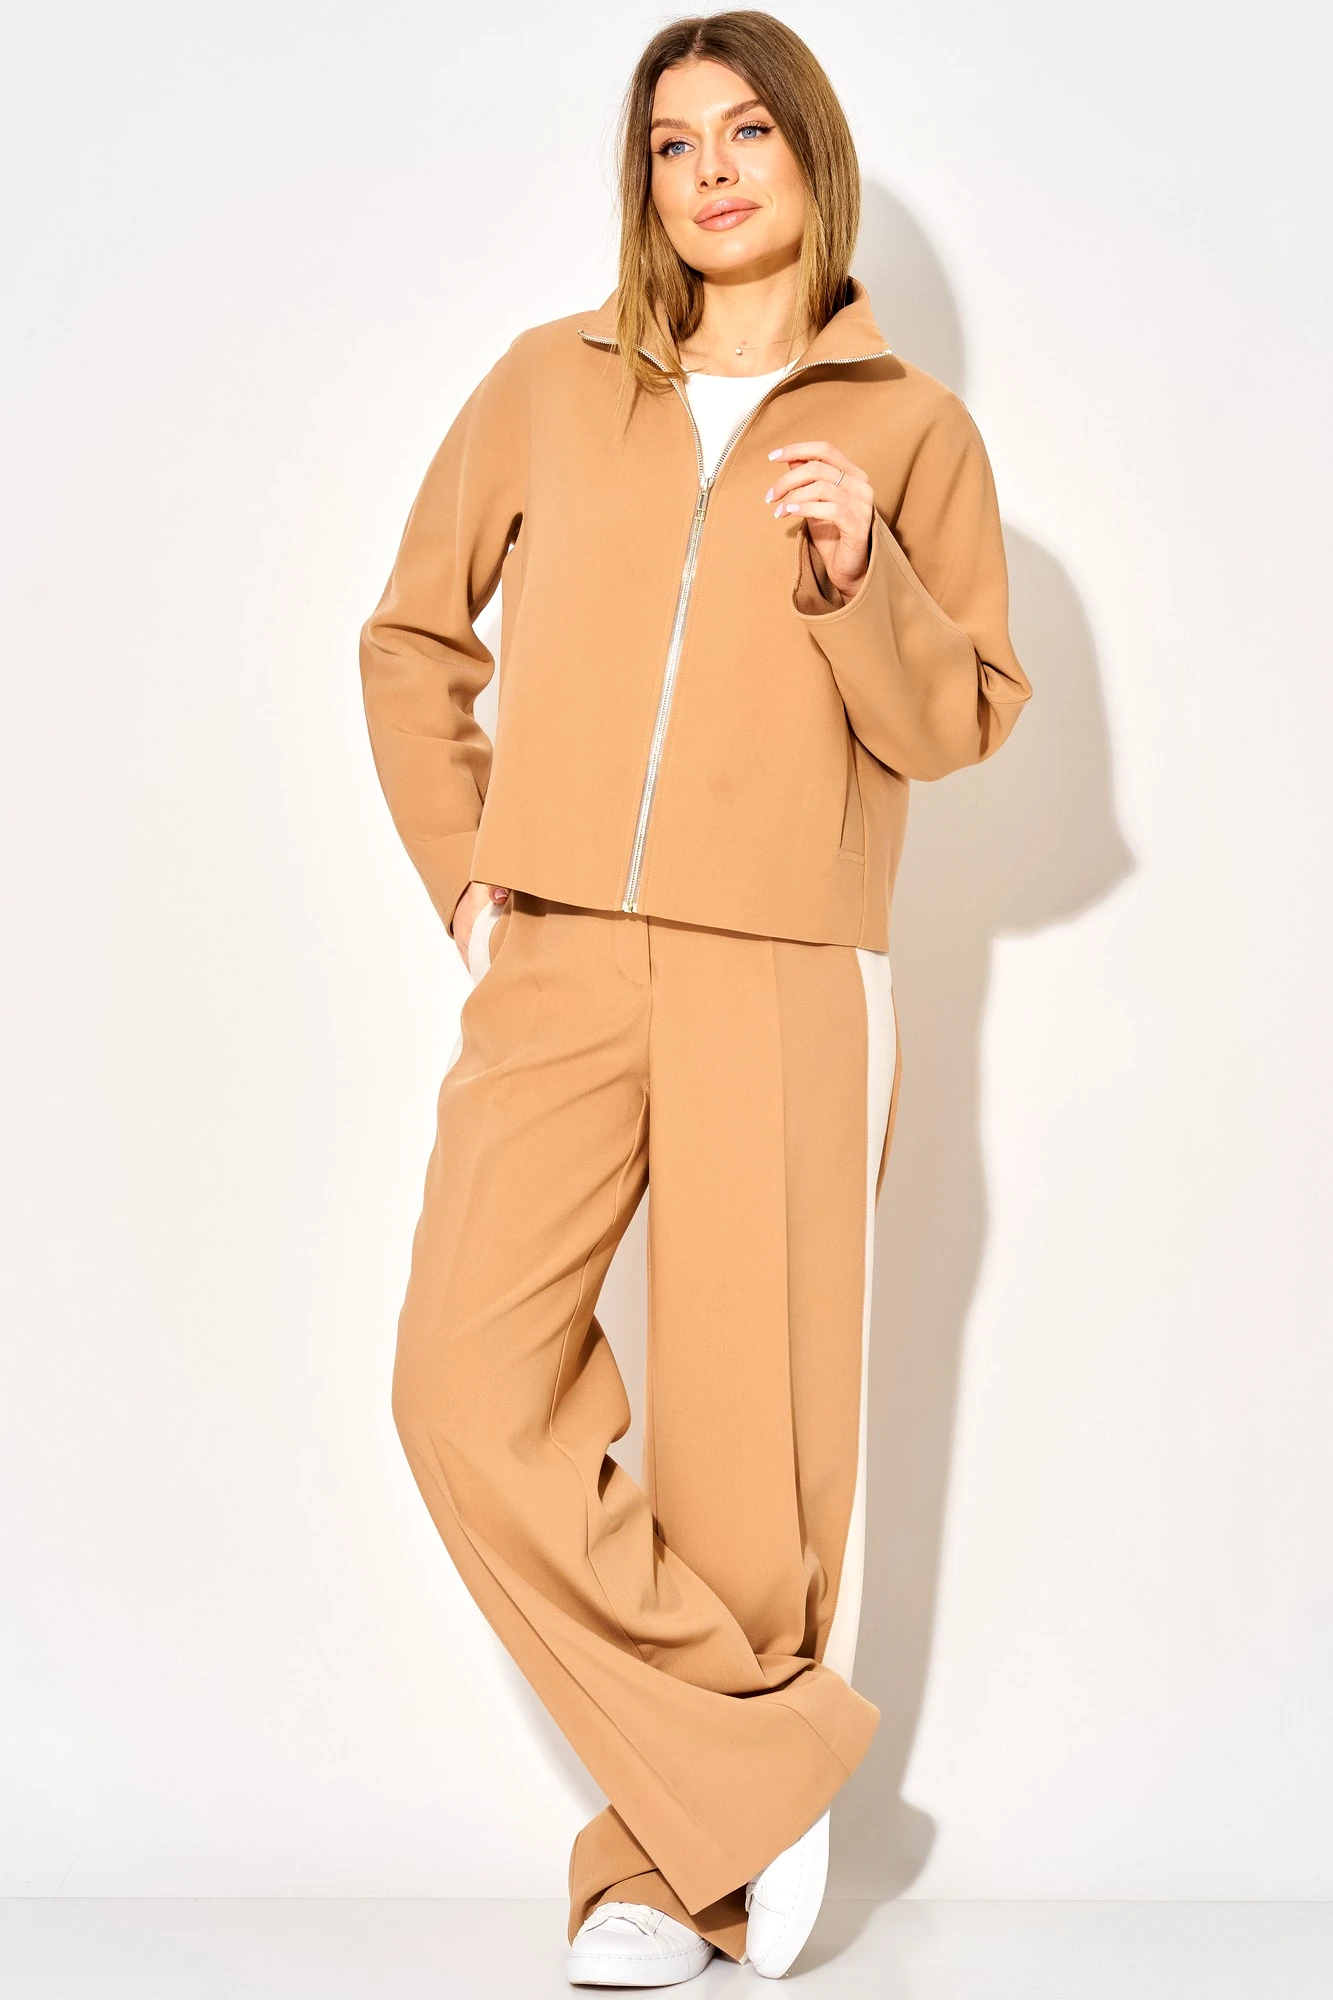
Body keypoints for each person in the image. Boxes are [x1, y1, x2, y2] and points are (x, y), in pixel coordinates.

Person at [357, 10, 1031, 1986]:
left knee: (753, 1444)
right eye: (673, 143)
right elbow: (410, 636)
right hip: (558, 953)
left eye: (749, 132)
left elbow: (960, 719)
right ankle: (761, 1760)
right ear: (642, 182)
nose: (713, 170)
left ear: (812, 157)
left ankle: (669, 1871)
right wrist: (468, 868)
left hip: (785, 966)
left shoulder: (912, 428)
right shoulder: (546, 385)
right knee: (463, 1391)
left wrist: (854, 575)